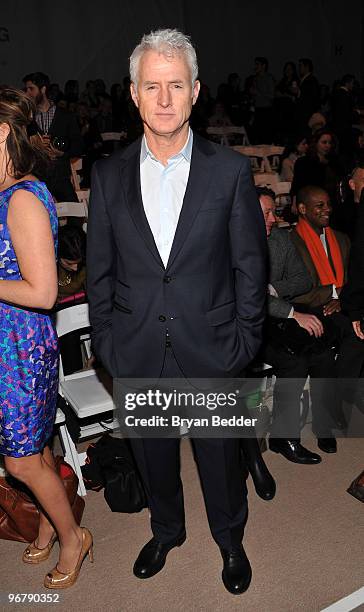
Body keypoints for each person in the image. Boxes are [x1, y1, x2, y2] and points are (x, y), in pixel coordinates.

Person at [87, 28, 267, 595]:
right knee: (154, 457)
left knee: (219, 457)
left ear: (195, 92)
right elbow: (100, 273)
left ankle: (230, 537)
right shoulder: (108, 174)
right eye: (151, 86)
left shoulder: (230, 171)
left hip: (213, 345)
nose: (164, 99)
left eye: (176, 85)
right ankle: (166, 530)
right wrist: (109, 344)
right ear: (134, 94)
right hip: (137, 347)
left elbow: (250, 269)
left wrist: (243, 343)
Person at [0, 87, 92, 589]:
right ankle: (45, 524)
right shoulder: (4, 193)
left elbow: (43, 291)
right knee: (35, 450)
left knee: (20, 460)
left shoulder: (22, 200)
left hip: (20, 347)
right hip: (4, 341)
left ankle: (74, 536)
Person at [23, 72, 84, 202]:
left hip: (60, 176)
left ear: (43, 89)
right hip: (37, 178)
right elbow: (20, 148)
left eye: (31, 89)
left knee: (75, 214)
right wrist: (34, 146)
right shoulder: (27, 119)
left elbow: (79, 146)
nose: (27, 93)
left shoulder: (65, 116)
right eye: (26, 89)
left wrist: (61, 153)